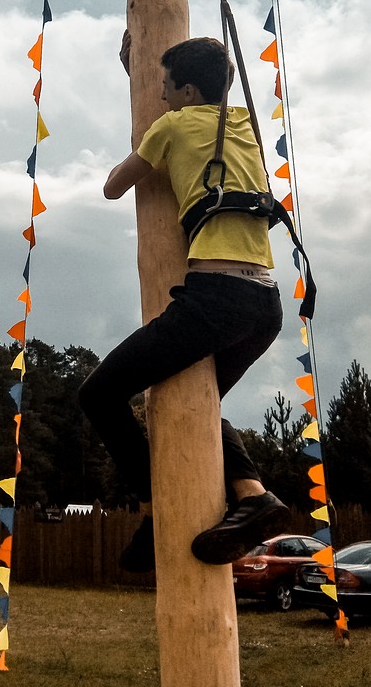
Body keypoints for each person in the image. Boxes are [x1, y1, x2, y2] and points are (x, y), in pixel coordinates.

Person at [77, 33, 290, 573]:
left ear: (187, 89)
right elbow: (198, 118)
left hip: (215, 298)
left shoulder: (170, 126)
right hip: (265, 304)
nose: (162, 97)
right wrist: (144, 78)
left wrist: (149, 115)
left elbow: (112, 187)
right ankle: (253, 496)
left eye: (166, 87)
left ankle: (155, 508)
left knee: (100, 394)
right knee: (198, 406)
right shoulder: (245, 125)